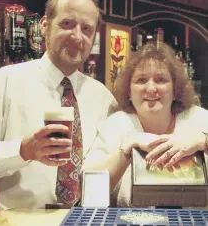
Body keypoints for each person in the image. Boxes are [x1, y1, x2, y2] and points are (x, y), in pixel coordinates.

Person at [0, 0, 116, 209]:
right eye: (67, 24)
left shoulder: (104, 98)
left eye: (86, 29)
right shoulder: (6, 81)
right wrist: (21, 151)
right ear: (45, 26)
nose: (77, 36)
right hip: (19, 221)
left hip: (84, 220)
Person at [82, 42, 208, 207]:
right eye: (141, 80)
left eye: (161, 80)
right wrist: (125, 151)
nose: (150, 88)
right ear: (129, 91)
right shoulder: (115, 125)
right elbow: (88, 192)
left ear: (175, 89)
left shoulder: (198, 119)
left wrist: (203, 141)